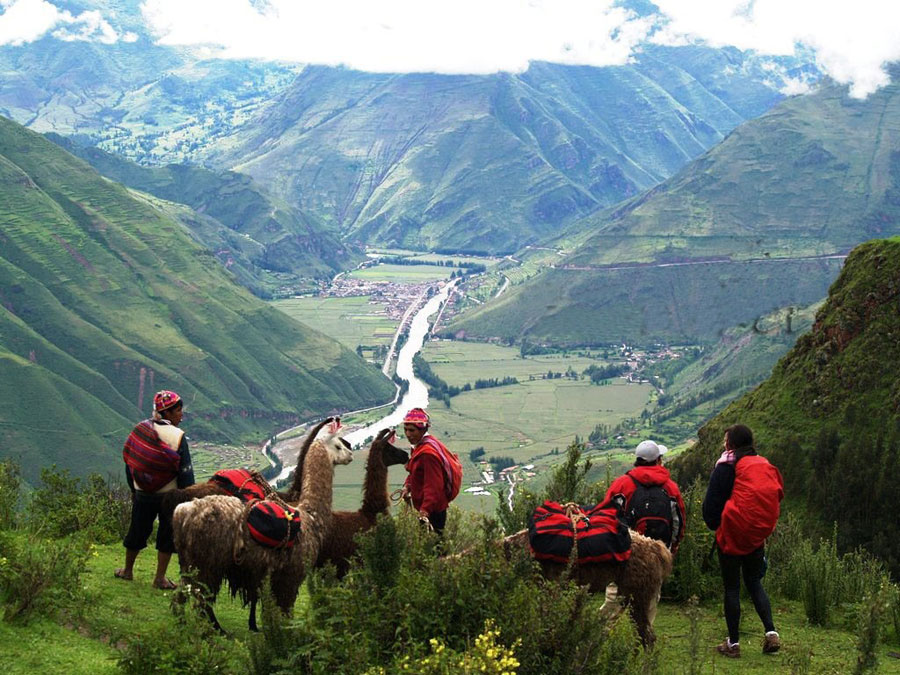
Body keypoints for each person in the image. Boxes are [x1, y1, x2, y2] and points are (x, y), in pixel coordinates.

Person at [703, 424, 784, 658]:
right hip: (755, 536)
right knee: (754, 582)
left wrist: (717, 525)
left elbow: (711, 508)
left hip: (731, 535)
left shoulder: (725, 467)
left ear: (730, 444)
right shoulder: (762, 464)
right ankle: (771, 633)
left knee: (732, 587)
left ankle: (734, 644)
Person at [116, 390, 195, 589]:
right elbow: (185, 472)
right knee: (167, 536)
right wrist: (188, 497)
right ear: (167, 413)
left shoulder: (140, 430)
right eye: (178, 411)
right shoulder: (178, 437)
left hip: (142, 492)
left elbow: (130, 462)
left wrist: (133, 489)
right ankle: (159, 578)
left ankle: (127, 570)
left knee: (137, 530)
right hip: (169, 496)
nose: (181, 415)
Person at [601, 440, 685, 553]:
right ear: (658, 460)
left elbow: (606, 516)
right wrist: (672, 547)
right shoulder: (671, 487)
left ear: (637, 460)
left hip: (628, 552)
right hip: (661, 552)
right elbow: (678, 521)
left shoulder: (621, 485)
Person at [400, 407, 458, 534]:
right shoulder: (419, 446)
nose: (408, 434)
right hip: (429, 507)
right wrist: (407, 486)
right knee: (430, 545)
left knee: (433, 547)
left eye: (412, 430)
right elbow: (415, 471)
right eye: (405, 430)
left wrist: (425, 510)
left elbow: (434, 486)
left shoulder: (427, 454)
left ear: (423, 430)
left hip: (433, 509)